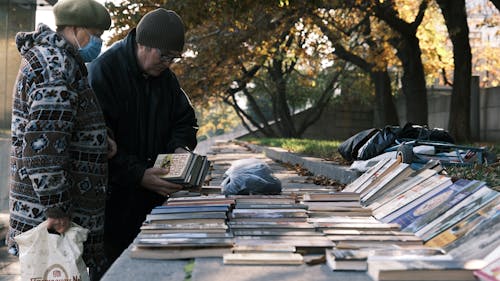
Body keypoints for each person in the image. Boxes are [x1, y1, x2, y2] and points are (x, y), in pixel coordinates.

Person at [6, 0, 115, 279]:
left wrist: (100, 140)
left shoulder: (57, 60)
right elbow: (44, 145)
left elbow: (62, 126)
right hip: (53, 220)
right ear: (75, 29)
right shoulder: (55, 67)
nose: (99, 42)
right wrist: (56, 207)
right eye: (96, 34)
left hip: (54, 212)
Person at [88, 8, 198, 267]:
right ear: (143, 44)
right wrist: (138, 175)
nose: (168, 63)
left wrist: (180, 149)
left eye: (174, 58)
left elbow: (186, 121)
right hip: (111, 205)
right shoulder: (104, 72)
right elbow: (97, 143)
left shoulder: (166, 79)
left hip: (152, 200)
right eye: (165, 56)